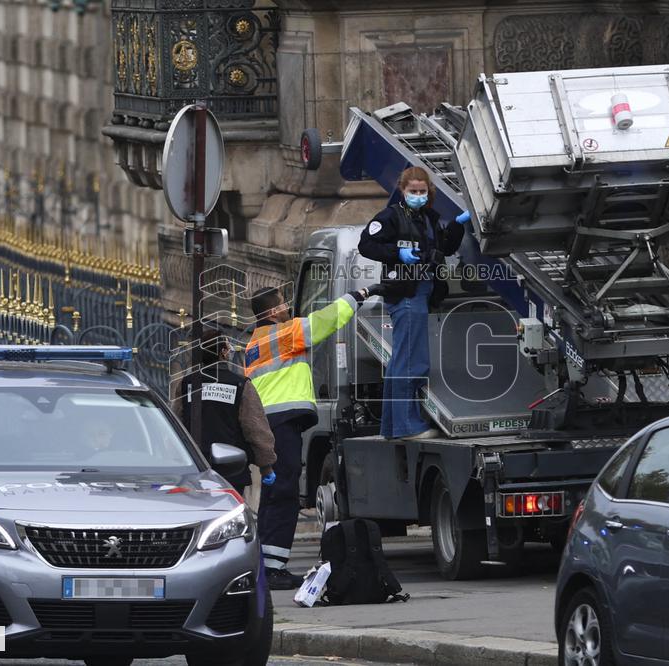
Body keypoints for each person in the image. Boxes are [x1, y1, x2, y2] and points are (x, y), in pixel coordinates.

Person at [245, 283, 382, 589]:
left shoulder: (255, 341)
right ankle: (274, 567)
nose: (287, 307)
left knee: (274, 493)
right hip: (281, 422)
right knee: (284, 493)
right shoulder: (284, 333)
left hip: (267, 422)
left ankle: (266, 563)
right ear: (272, 311)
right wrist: (359, 295)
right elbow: (325, 320)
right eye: (282, 304)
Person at [357, 166, 471, 440]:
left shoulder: (428, 218)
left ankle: (393, 426)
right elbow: (366, 245)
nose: (418, 195)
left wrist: (458, 224)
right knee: (411, 362)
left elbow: (444, 248)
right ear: (402, 190)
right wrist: (397, 253)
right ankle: (407, 425)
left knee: (401, 361)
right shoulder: (391, 217)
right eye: (413, 191)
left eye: (422, 191)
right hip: (406, 293)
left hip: (421, 291)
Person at [172, 328, 277, 495]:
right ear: (223, 352)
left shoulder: (187, 384)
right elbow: (256, 429)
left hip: (194, 468)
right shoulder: (240, 384)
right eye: (227, 347)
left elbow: (176, 425)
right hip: (232, 470)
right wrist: (266, 466)